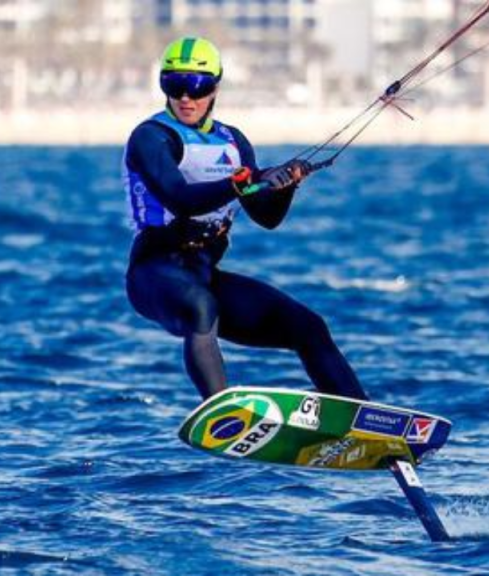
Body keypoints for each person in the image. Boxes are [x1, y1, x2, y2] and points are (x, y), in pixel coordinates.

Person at [123, 36, 368, 402]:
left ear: (215, 87)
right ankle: (222, 412)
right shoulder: (152, 137)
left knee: (308, 326)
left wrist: (284, 186)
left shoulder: (233, 141)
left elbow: (266, 217)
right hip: (154, 272)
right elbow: (181, 199)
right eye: (174, 85)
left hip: (205, 273)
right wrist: (239, 183)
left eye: (196, 85)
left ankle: (362, 418)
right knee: (201, 308)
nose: (185, 97)